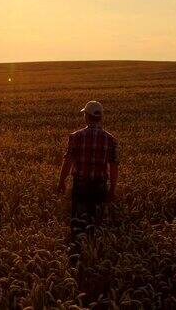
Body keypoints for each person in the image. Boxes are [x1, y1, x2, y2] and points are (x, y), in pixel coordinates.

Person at [57, 101, 119, 250]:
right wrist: (112, 189)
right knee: (97, 222)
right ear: (100, 117)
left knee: (78, 222)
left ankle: (77, 253)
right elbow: (114, 166)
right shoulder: (111, 139)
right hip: (100, 186)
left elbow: (68, 162)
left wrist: (61, 181)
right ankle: (95, 252)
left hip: (81, 185)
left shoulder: (76, 136)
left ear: (86, 116)